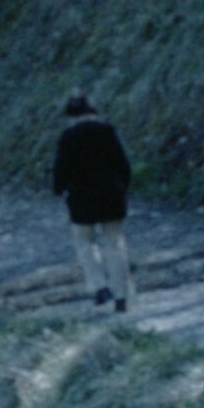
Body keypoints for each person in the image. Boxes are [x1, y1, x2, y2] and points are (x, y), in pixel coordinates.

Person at [52, 91, 134, 313]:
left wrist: (59, 189)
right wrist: (123, 187)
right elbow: (123, 164)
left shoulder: (68, 136)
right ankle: (121, 297)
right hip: (110, 195)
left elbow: (60, 170)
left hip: (81, 198)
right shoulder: (107, 131)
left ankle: (99, 287)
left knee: (85, 243)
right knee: (115, 243)